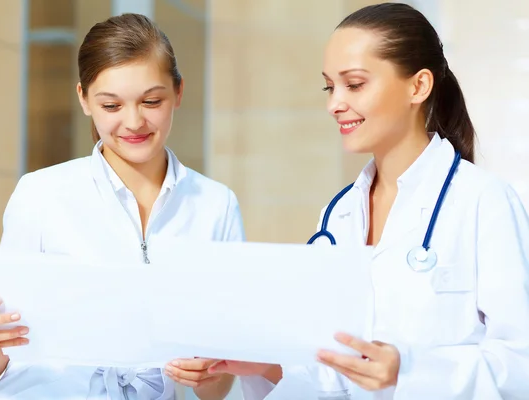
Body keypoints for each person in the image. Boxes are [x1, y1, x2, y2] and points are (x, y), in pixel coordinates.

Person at [211, 3, 529, 399]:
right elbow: (335, 373)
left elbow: (521, 367)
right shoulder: (338, 214)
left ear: (418, 86)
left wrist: (407, 371)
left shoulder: (484, 201)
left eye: (355, 84)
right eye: (330, 86)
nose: (334, 103)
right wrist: (270, 367)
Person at [0, 13, 242, 400]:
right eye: (111, 105)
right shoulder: (40, 193)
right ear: (84, 99)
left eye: (151, 101)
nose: (134, 121)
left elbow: (217, 387)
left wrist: (209, 372)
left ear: (179, 92)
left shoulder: (215, 204)